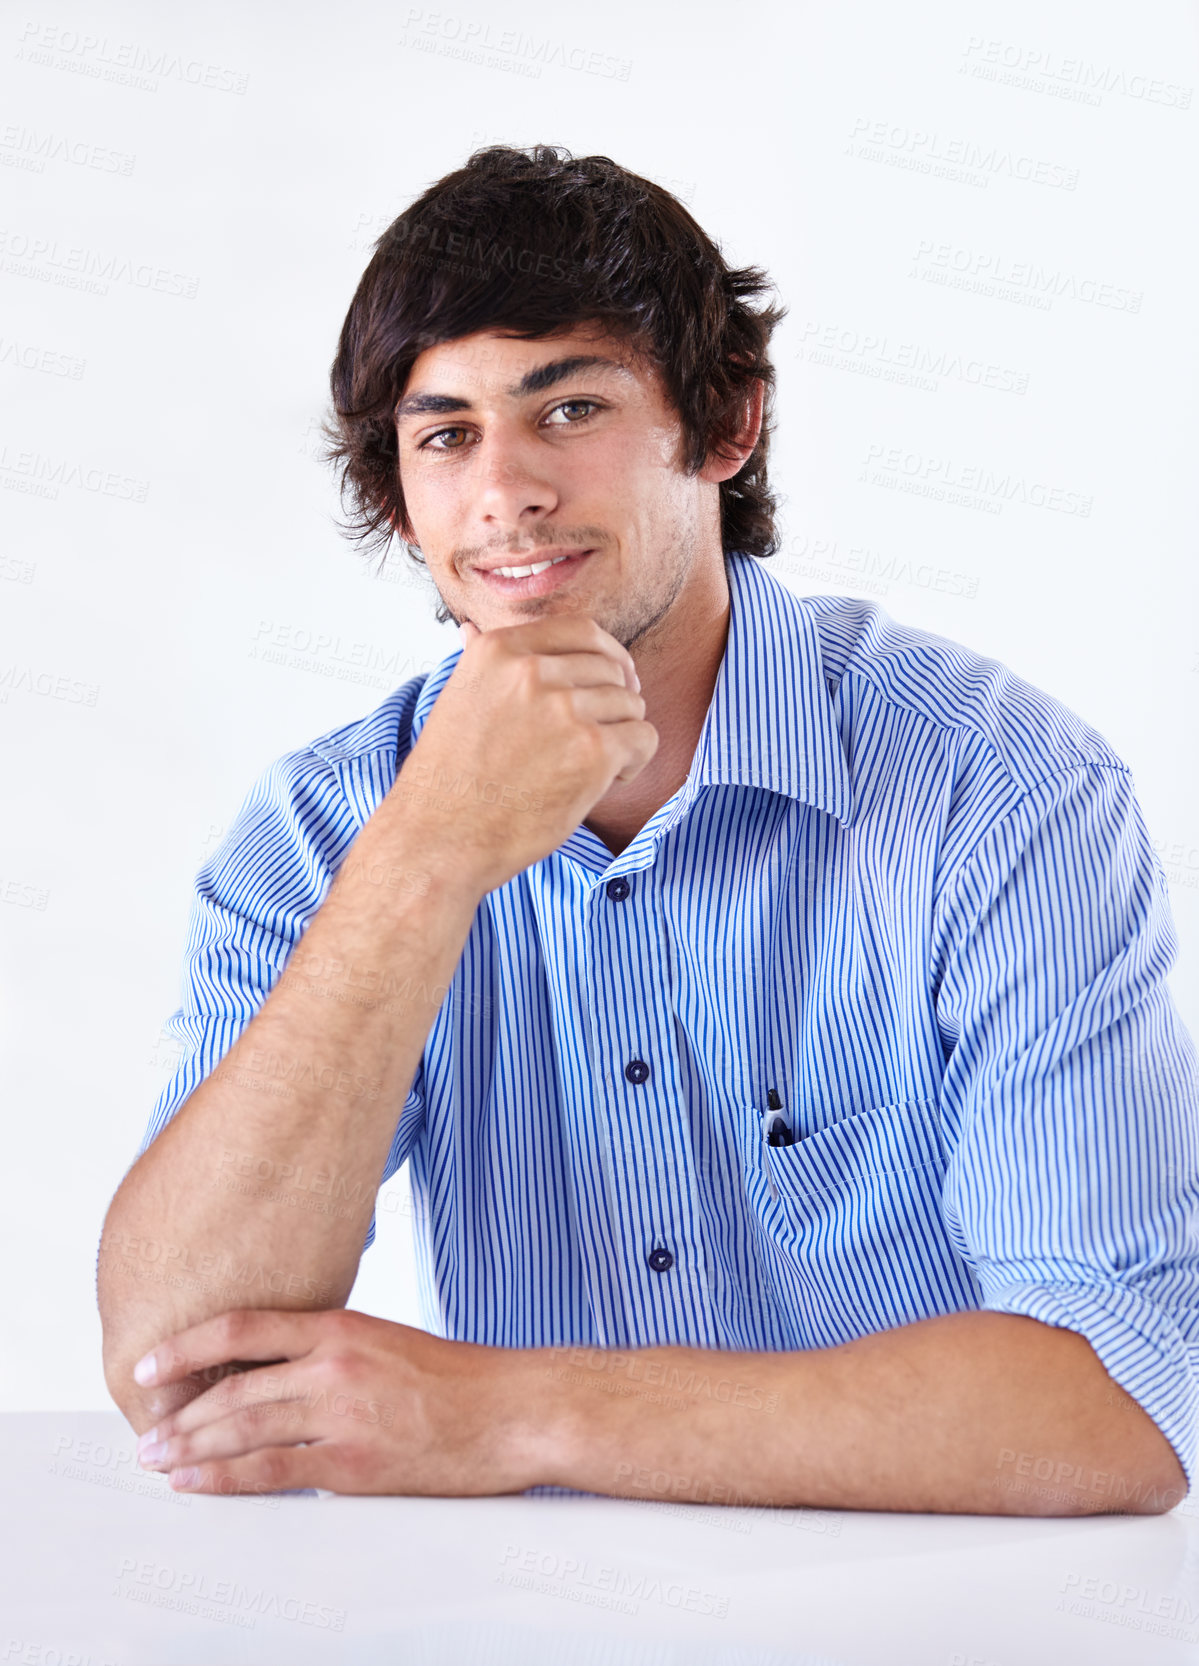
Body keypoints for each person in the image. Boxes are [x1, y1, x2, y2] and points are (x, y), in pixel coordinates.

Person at [97, 144, 1197, 1516]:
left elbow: (1125, 1401)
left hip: (927, 1614)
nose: (502, 489)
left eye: (567, 408)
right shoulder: (325, 830)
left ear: (725, 425)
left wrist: (511, 1413)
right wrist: (428, 852)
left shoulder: (1001, 796)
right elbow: (182, 1374)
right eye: (444, 433)